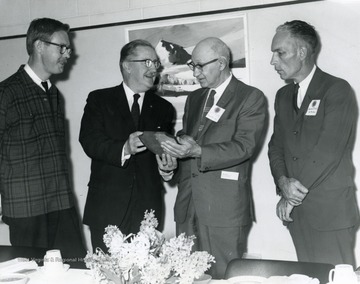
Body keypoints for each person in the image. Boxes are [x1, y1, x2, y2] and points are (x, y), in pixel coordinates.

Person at [159, 37, 266, 279]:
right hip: (188, 205)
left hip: (223, 208)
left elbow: (244, 147)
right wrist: (171, 163)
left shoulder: (250, 97)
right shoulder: (195, 98)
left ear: (221, 62)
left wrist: (197, 151)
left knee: (222, 275)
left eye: (200, 66)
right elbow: (189, 139)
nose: (195, 72)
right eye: (192, 66)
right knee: (186, 276)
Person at [268, 20, 359, 267]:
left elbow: (327, 152)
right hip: (299, 215)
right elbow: (275, 147)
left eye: (280, 52)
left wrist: (290, 196)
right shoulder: (283, 96)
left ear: (302, 52)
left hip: (331, 215)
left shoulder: (337, 90)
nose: (273, 61)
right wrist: (282, 182)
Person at [0, 18, 85, 258]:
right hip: (26, 209)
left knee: (77, 267)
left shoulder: (55, 94)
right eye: (62, 47)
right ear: (39, 46)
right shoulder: (6, 92)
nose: (68, 54)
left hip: (61, 204)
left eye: (68, 48)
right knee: (33, 274)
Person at [79, 39, 176, 252]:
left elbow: (165, 153)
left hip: (147, 210)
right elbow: (89, 141)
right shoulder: (99, 100)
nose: (154, 69)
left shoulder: (164, 108)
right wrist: (124, 148)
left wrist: (167, 169)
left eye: (155, 63)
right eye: (147, 62)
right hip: (106, 208)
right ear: (127, 65)